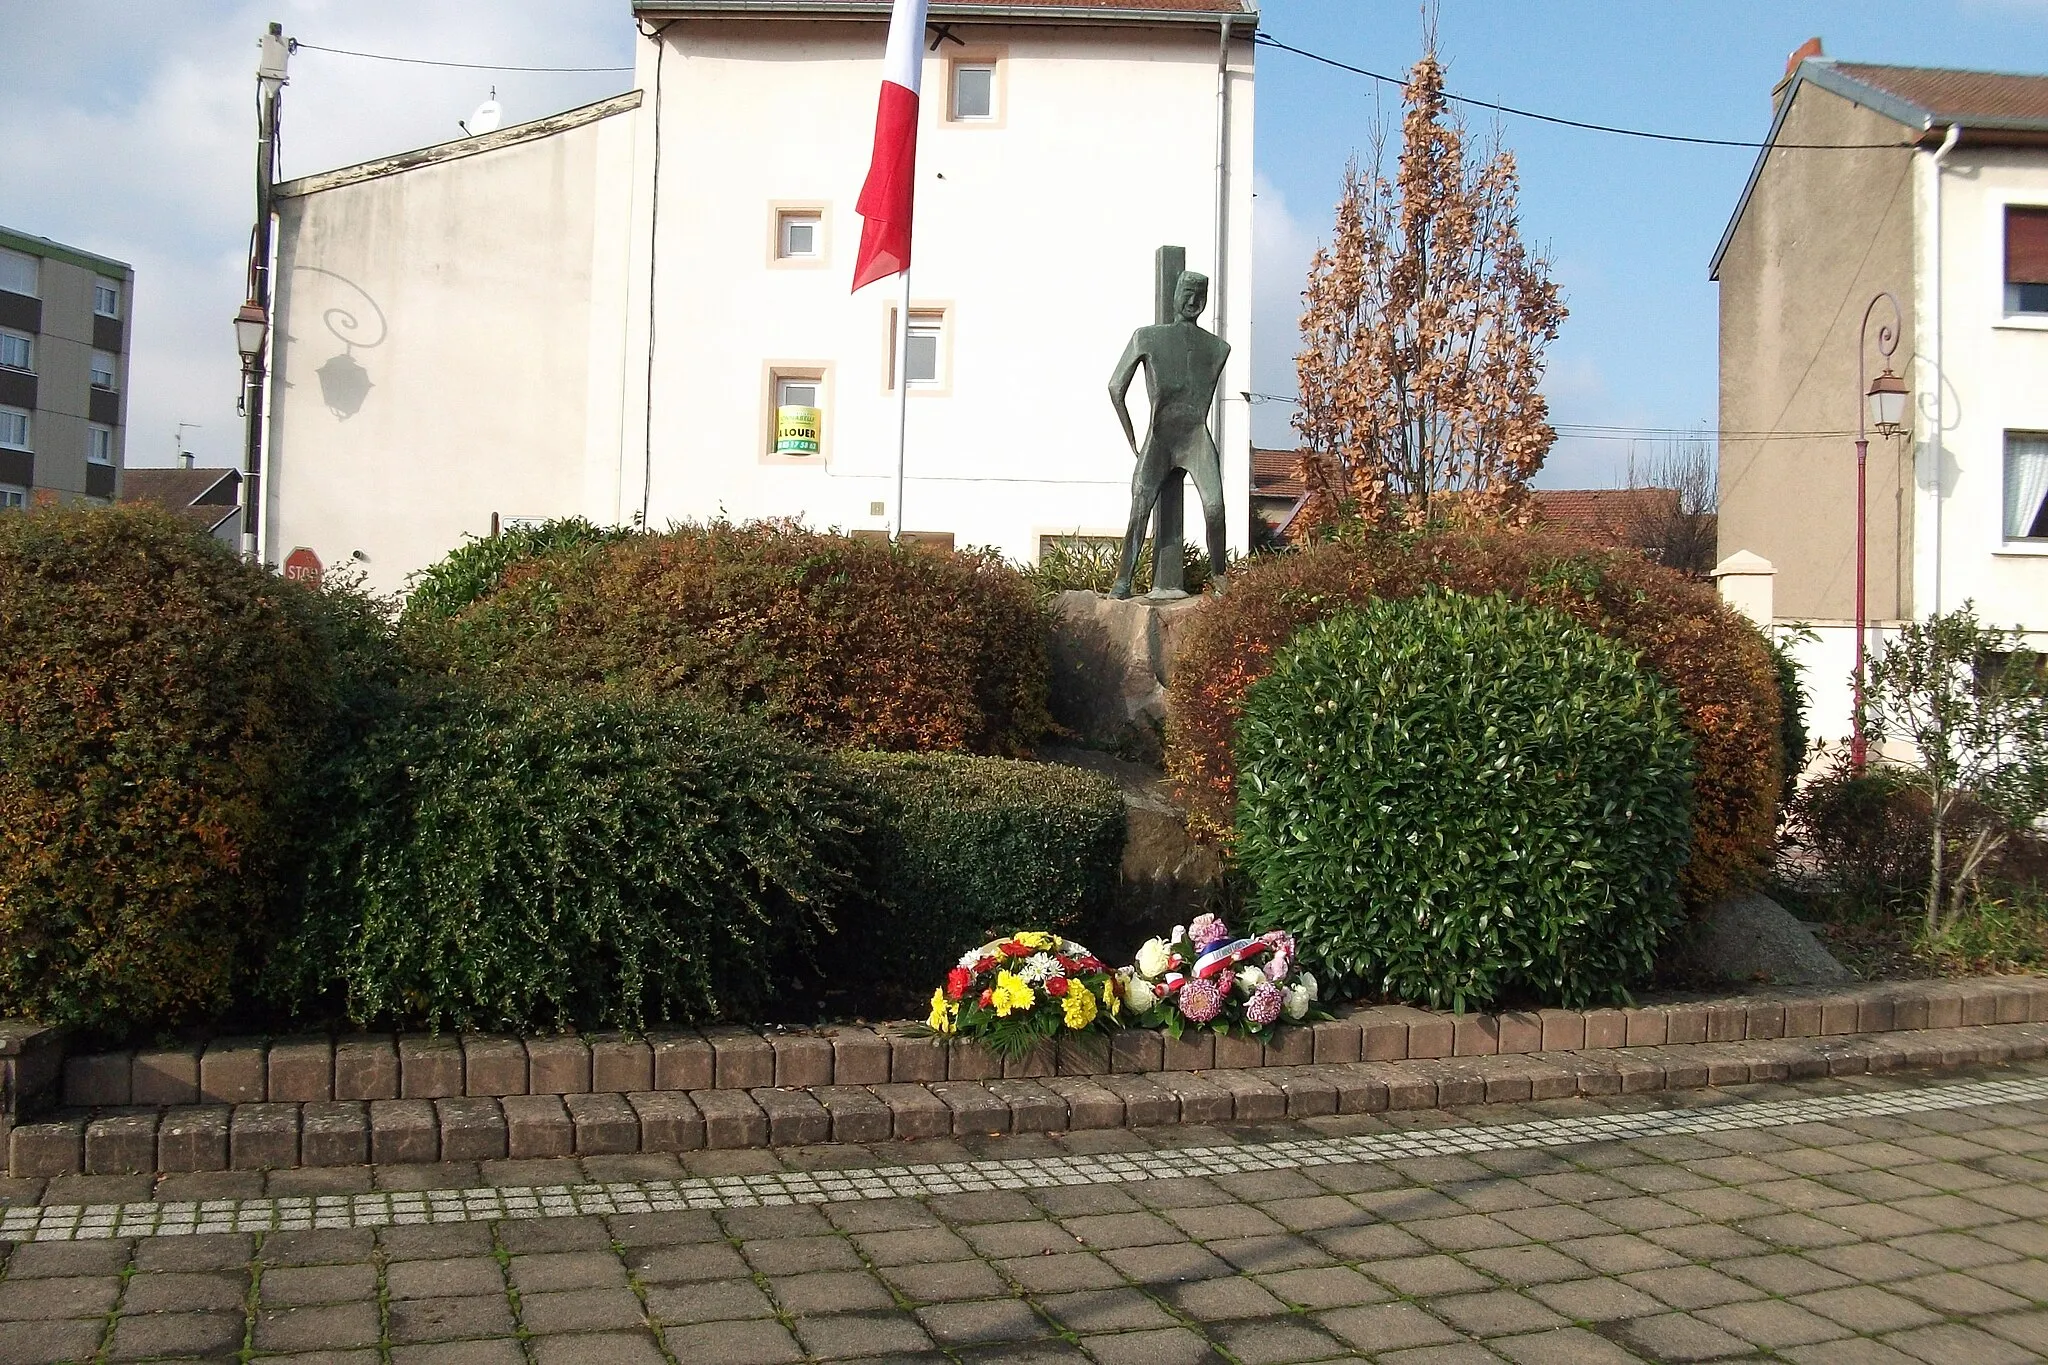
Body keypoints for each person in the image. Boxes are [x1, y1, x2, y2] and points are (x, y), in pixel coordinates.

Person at [1107, 270, 1230, 599]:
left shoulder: (1218, 347)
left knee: (1215, 508)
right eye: (1187, 292)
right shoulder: (1146, 337)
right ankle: (1123, 580)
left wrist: (1131, 435)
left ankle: (1220, 577)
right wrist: (1133, 437)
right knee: (1139, 506)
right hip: (1160, 436)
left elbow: (1116, 389)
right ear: (1174, 295)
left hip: (1195, 437)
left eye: (1199, 295)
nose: (1192, 301)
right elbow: (1116, 387)